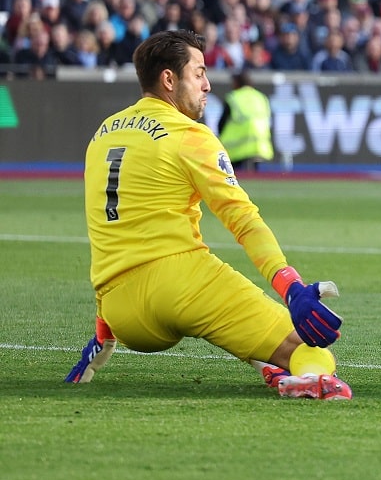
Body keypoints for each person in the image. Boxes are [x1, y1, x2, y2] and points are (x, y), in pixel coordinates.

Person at [65, 30, 351, 400]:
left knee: (245, 327)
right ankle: (302, 377)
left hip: (120, 313)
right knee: (311, 351)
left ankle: (270, 368)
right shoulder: (188, 134)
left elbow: (106, 228)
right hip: (180, 286)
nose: (208, 85)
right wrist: (291, 287)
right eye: (199, 73)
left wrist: (105, 325)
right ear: (169, 79)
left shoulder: (102, 134)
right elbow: (241, 217)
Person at [218, 69, 274, 172]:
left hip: (237, 148)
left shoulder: (233, 98)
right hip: (260, 147)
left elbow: (221, 124)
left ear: (237, 83)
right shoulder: (261, 97)